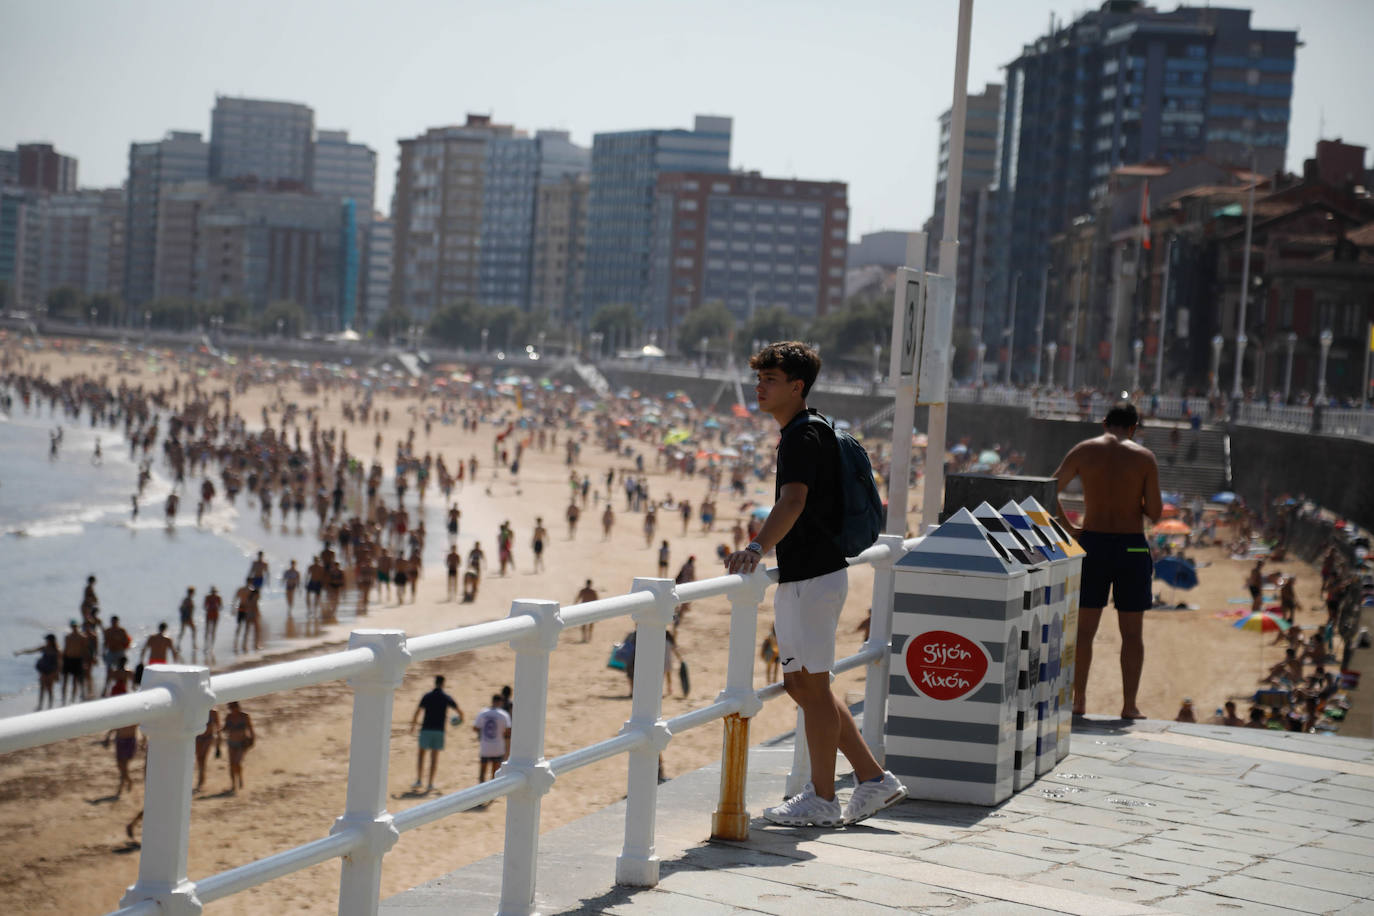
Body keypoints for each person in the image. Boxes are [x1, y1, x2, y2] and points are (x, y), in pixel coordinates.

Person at [724, 341, 905, 827]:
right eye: (759, 378)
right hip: (814, 575)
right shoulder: (812, 429)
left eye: (770, 380)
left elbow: (793, 501)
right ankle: (871, 778)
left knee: (813, 687)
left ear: (796, 387)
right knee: (804, 686)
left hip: (814, 577)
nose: (760, 388)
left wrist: (756, 548)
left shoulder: (801, 437)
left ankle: (824, 797)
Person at [1053, 401, 1163, 720]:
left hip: (1093, 542)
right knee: (1132, 633)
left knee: (1084, 631)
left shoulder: (1084, 450)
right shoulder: (1144, 458)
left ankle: (1079, 701)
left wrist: (1069, 526)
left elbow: (1049, 490)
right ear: (1133, 428)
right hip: (1131, 546)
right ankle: (1129, 705)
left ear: (1104, 423)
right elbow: (1155, 512)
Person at [410, 675, 463, 792]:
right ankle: (430, 783)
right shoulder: (446, 697)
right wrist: (460, 719)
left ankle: (419, 780)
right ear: (443, 684)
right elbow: (459, 711)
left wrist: (413, 726)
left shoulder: (427, 696)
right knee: (434, 758)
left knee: (421, 755)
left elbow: (418, 712)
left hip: (426, 728)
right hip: (439, 730)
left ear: (435, 683)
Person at [473, 694, 512, 783]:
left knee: (483, 771)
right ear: (500, 702)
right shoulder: (503, 714)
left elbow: (475, 728)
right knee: (495, 772)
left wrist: (482, 733)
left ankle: (481, 790)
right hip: (498, 746)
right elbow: (508, 730)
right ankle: (492, 795)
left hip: (485, 746)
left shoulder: (483, 713)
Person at [15, 634, 59, 710]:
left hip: (52, 671)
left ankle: (50, 705)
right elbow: (32, 651)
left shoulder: (57, 650)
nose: (46, 641)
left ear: (51, 641)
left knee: (50, 688)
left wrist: (57, 674)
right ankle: (40, 705)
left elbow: (59, 663)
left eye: (47, 640)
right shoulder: (44, 648)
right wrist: (21, 652)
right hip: (44, 670)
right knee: (42, 688)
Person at [222, 701, 254, 793]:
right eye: (230, 708)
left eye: (233, 708)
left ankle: (240, 779)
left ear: (237, 707)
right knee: (231, 764)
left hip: (242, 743)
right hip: (231, 743)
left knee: (237, 762)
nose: (232, 710)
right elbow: (225, 728)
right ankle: (233, 784)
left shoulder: (245, 717)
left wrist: (252, 739)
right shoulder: (229, 717)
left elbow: (251, 729)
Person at [103, 720, 140, 798]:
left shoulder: (134, 717)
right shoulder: (125, 715)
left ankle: (122, 786)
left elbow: (141, 726)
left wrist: (144, 740)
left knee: (124, 766)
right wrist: (108, 738)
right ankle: (128, 781)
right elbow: (114, 727)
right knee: (120, 766)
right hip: (120, 741)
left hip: (129, 742)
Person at [60, 619, 89, 703]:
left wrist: (85, 662)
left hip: (78, 659)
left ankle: (73, 698)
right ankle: (63, 698)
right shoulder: (68, 637)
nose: (74, 628)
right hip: (68, 659)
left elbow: (85, 650)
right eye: (73, 626)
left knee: (75, 680)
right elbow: (65, 649)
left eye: (75, 626)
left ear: (78, 626)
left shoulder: (82, 637)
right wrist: (61, 661)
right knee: (65, 679)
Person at [194, 708, 222, 792]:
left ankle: (201, 780)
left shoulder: (214, 712)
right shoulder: (199, 710)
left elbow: (218, 727)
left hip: (208, 738)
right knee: (199, 758)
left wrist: (218, 744)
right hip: (198, 737)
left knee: (203, 757)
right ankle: (201, 778)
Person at [177, 587, 198, 655]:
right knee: (191, 630)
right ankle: (193, 644)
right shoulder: (187, 600)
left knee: (184, 631)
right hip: (187, 618)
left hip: (186, 618)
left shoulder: (187, 600)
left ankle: (179, 644)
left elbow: (181, 608)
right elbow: (184, 608)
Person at [204, 586, 222, 652]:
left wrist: (213, 607)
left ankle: (211, 646)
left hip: (214, 614)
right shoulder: (208, 597)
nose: (213, 593)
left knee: (213, 631)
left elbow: (220, 606)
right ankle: (206, 645)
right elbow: (205, 606)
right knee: (208, 630)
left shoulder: (218, 598)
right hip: (210, 614)